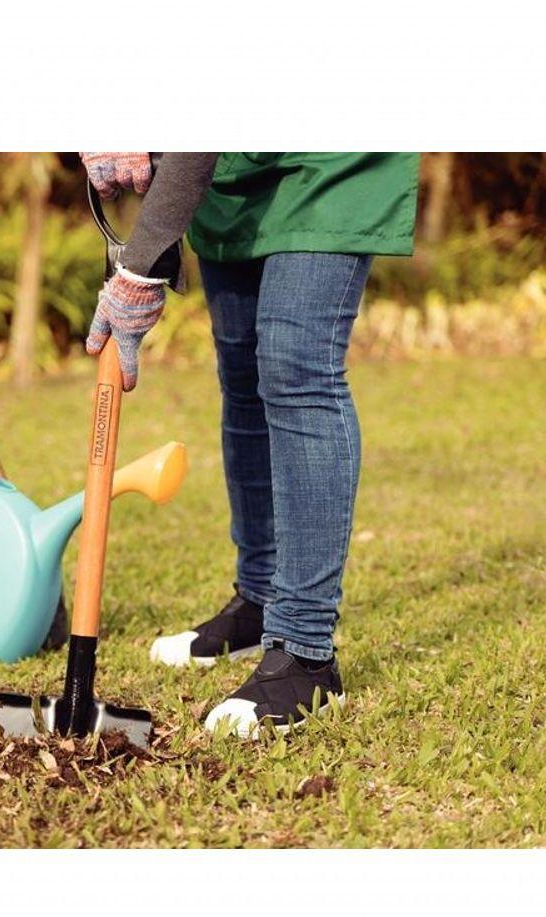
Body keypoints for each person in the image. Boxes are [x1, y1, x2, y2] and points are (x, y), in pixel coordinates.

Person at [80, 151, 419, 738]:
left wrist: (136, 270)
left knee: (296, 368)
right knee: (242, 372)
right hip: (233, 169)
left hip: (327, 159)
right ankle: (259, 597)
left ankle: (305, 652)